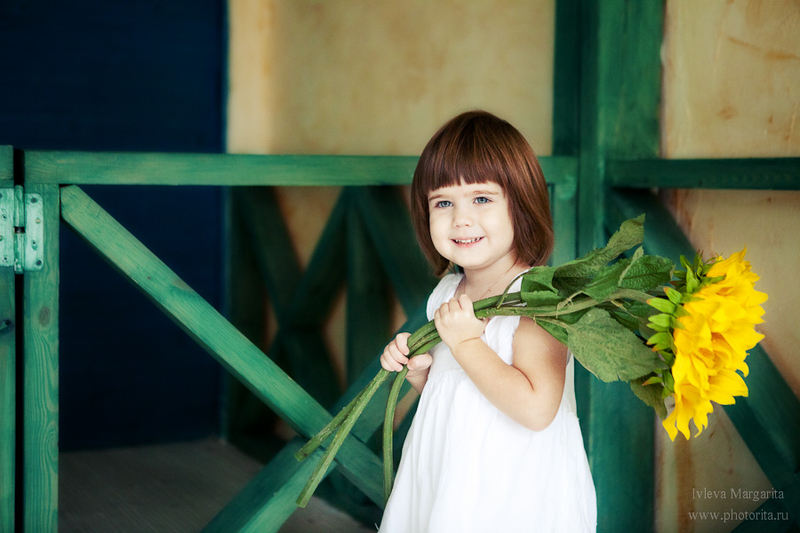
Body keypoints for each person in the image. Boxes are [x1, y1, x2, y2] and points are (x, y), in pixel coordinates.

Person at [378, 110, 597, 532]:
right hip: (451, 474)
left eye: (481, 198)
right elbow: (456, 392)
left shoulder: (536, 299)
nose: (461, 219)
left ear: (522, 204)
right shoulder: (447, 292)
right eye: (443, 203)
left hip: (510, 489)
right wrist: (421, 372)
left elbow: (536, 410)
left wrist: (466, 345)